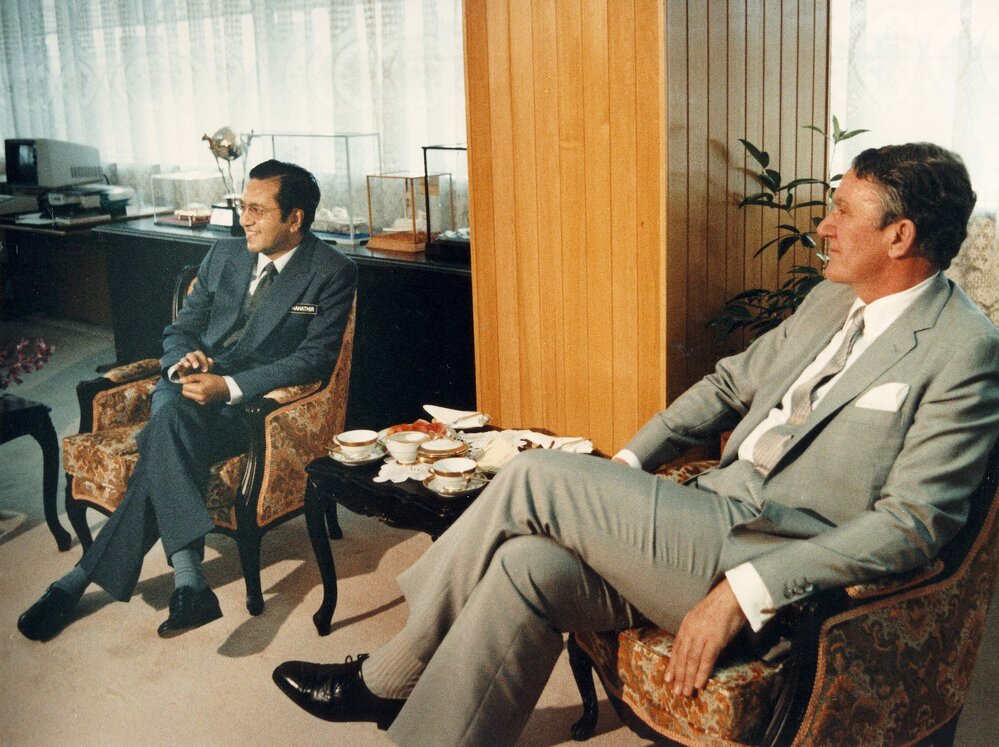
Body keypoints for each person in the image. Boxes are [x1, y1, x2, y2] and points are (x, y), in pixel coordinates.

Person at [272, 142, 999, 746]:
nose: (823, 223)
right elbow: (725, 384)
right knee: (530, 562)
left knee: (539, 477)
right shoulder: (830, 298)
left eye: (842, 209)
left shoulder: (963, 348)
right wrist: (622, 471)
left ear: (899, 236)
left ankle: (384, 676)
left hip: (773, 558)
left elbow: (913, 524)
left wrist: (749, 588)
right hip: (706, 516)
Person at [18, 159, 357, 641]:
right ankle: (188, 584)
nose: (245, 219)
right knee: (174, 411)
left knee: (164, 433)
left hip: (254, 411)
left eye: (258, 211)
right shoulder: (224, 256)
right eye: (243, 207)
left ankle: (83, 581)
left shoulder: (331, 271)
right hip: (187, 391)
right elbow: (180, 330)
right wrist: (183, 362)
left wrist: (230, 387)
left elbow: (313, 360)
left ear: (295, 219)